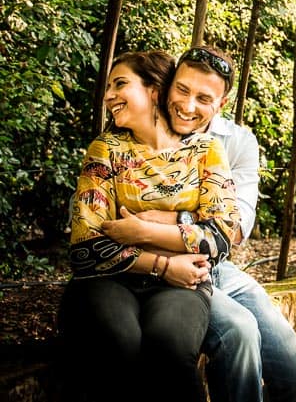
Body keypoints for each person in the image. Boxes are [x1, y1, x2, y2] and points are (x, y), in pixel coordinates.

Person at [116, 45, 296, 402]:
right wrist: (201, 220)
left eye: (203, 98)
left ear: (221, 104)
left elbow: (235, 227)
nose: (188, 105)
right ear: (168, 86)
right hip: (165, 270)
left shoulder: (238, 142)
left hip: (220, 266)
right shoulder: (141, 125)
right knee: (238, 333)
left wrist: (172, 217)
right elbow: (118, 216)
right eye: (182, 90)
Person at [60, 50, 241, 402]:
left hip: (182, 287)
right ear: (167, 91)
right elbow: (86, 247)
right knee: (120, 341)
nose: (109, 94)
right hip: (107, 282)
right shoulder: (105, 150)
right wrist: (166, 261)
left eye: (120, 84)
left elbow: (220, 237)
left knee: (171, 344)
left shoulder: (207, 151)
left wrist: (142, 232)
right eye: (110, 86)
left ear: (153, 91)